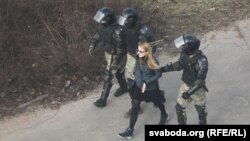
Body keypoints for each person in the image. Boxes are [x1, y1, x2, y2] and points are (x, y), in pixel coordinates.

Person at [116, 7, 164, 117]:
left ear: (131, 20)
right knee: (130, 80)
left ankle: (157, 97)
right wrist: (119, 58)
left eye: (125, 20)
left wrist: (147, 58)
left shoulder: (143, 30)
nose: (123, 22)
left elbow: (152, 45)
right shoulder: (123, 28)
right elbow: (121, 44)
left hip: (144, 55)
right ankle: (135, 106)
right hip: (131, 56)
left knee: (149, 78)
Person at [118, 42, 169, 139]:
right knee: (135, 106)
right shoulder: (138, 58)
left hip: (151, 88)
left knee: (157, 102)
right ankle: (130, 130)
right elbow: (137, 70)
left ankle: (164, 114)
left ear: (147, 52)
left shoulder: (152, 60)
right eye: (138, 50)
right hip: (139, 87)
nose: (138, 52)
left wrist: (146, 82)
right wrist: (134, 81)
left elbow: (158, 74)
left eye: (141, 51)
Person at [161, 34, 209, 125]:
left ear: (189, 47)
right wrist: (162, 70)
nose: (182, 47)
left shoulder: (202, 60)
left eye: (184, 46)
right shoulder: (184, 54)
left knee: (201, 111)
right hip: (186, 85)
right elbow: (179, 65)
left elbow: (200, 81)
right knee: (179, 108)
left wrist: (189, 93)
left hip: (197, 89)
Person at [89, 7, 128, 108]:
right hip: (108, 52)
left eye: (103, 19)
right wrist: (93, 43)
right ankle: (124, 87)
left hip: (116, 54)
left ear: (108, 19)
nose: (101, 21)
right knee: (118, 70)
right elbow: (99, 33)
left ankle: (102, 100)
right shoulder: (104, 25)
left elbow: (120, 49)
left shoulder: (117, 30)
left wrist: (116, 61)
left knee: (108, 75)